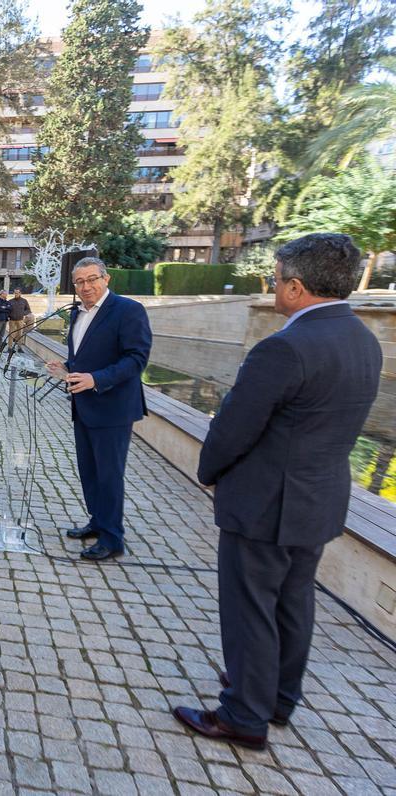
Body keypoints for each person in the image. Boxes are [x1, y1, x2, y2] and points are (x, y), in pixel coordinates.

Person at [173, 233, 383, 751]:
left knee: (251, 609)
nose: (271, 285)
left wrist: (210, 470)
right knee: (293, 603)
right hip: (320, 499)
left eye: (275, 276)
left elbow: (235, 426)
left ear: (294, 286)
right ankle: (277, 697)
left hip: (265, 504)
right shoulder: (363, 339)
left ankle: (244, 716)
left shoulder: (284, 347)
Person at [45, 256, 151, 562]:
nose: (86, 286)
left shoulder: (128, 311)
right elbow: (87, 355)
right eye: (79, 281)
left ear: (106, 279)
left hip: (113, 408)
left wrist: (96, 379)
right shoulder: (79, 314)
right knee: (89, 472)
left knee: (109, 475)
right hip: (85, 406)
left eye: (92, 279)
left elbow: (136, 359)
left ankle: (112, 538)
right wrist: (66, 367)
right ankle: (97, 521)